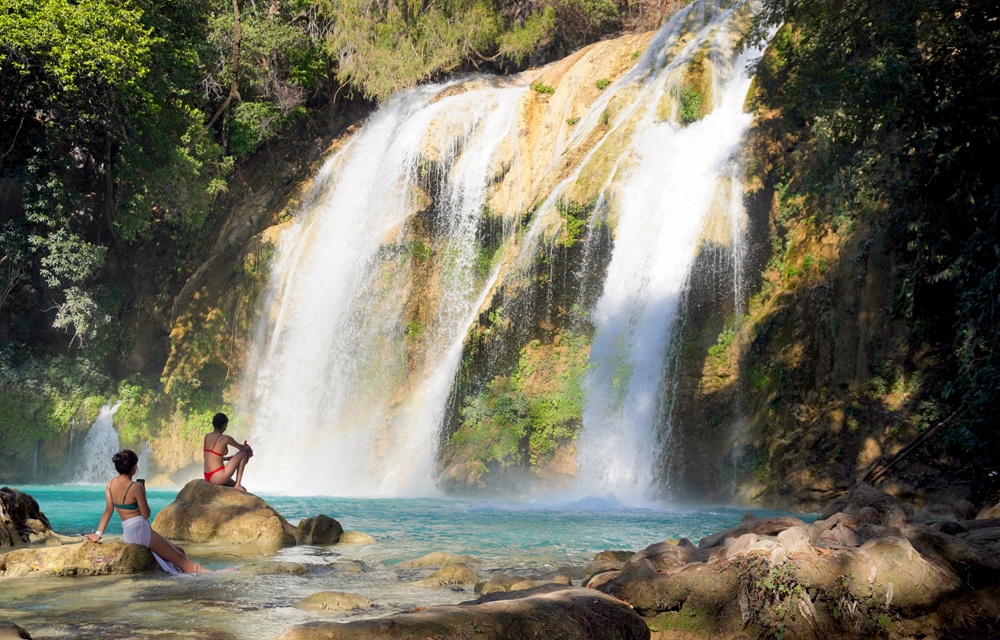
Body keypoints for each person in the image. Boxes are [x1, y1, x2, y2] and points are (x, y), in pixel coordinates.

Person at [85, 449, 205, 573]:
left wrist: (98, 534)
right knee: (181, 559)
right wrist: (143, 494)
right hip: (141, 531)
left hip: (129, 532)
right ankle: (211, 575)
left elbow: (108, 510)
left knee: (180, 551)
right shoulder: (136, 487)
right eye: (136, 465)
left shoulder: (110, 485)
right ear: (133, 467)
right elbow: (146, 514)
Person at [203, 412, 253, 491]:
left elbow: (209, 456)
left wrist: (226, 459)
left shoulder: (207, 436)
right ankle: (238, 484)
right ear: (224, 425)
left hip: (208, 476)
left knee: (244, 489)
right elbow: (241, 448)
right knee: (243, 454)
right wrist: (248, 447)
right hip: (219, 476)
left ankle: (237, 485)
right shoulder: (225, 438)